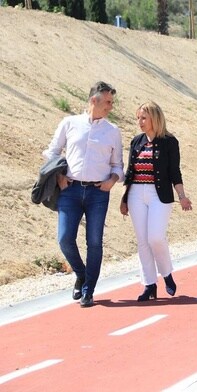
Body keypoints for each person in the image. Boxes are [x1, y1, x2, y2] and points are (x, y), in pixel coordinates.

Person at [42, 81, 124, 307]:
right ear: (93, 101)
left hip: (99, 192)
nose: (110, 106)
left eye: (111, 102)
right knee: (65, 238)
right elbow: (52, 151)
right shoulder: (70, 123)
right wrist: (59, 176)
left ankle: (88, 290)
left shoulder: (112, 131)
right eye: (107, 102)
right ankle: (81, 273)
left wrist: (112, 181)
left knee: (94, 242)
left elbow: (118, 165)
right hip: (70, 190)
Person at [120, 101, 193, 302]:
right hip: (136, 193)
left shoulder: (169, 142)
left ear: (155, 118)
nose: (140, 122)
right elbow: (130, 172)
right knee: (143, 241)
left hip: (159, 194)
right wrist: (125, 199)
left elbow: (174, 172)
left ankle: (166, 273)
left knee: (155, 237)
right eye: (138, 118)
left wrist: (182, 196)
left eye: (144, 118)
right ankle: (149, 284)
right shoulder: (136, 141)